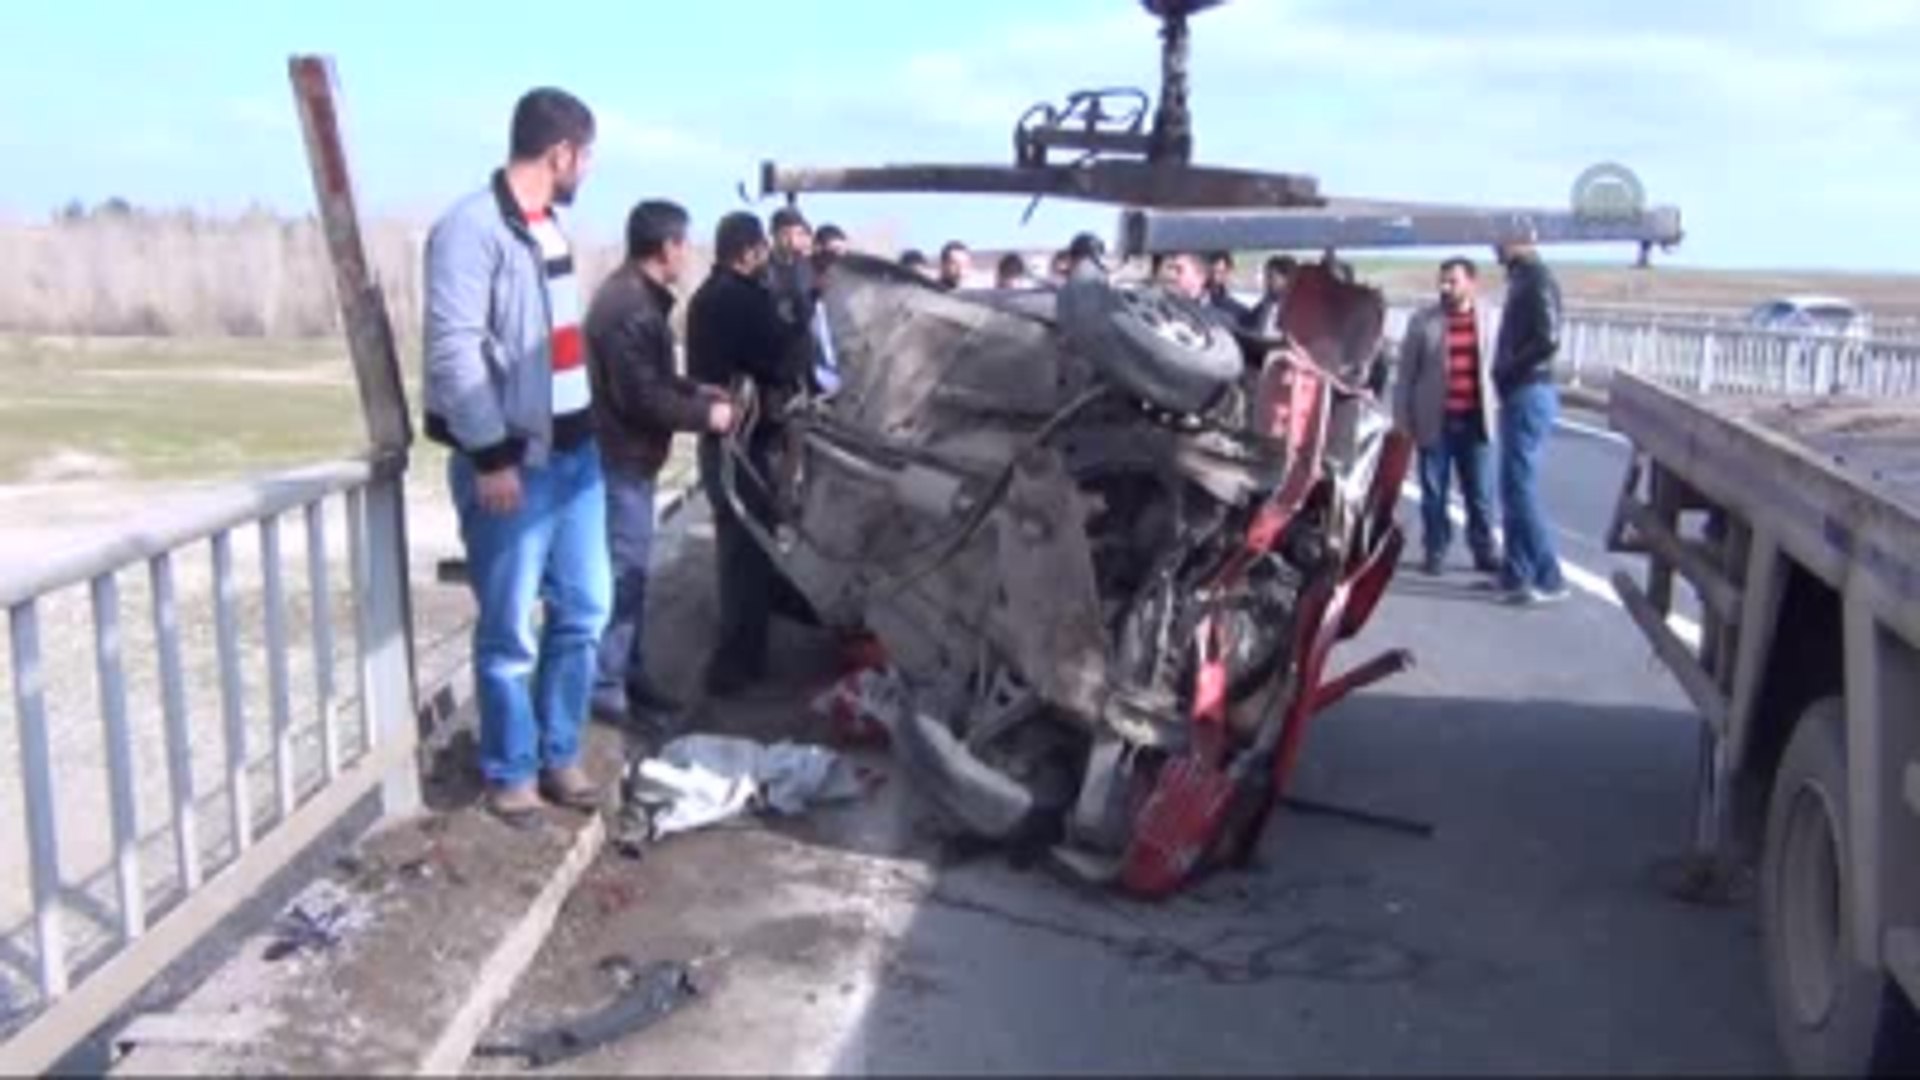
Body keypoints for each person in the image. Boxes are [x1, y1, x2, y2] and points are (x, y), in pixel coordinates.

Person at [423, 87, 609, 824]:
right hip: (515, 464)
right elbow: (454, 352)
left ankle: (559, 752)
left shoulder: (550, 229)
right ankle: (511, 769)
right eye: (586, 156)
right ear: (561, 153)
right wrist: (490, 455)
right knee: (509, 629)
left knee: (585, 609)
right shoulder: (470, 230)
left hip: (577, 458)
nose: (588, 169)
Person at [584, 200, 737, 735]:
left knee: (632, 574)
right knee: (623, 577)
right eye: (684, 244)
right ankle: (608, 690)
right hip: (621, 460)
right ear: (667, 247)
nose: (687, 254)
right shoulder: (630, 309)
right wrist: (708, 416)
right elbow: (641, 399)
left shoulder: (635, 300)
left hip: (630, 459)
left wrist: (695, 389)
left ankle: (629, 673)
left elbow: (653, 379)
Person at [687, 213, 817, 694]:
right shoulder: (741, 300)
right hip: (746, 442)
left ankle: (757, 634)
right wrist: (800, 312)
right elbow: (785, 360)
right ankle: (735, 666)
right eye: (761, 249)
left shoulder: (705, 297)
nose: (766, 258)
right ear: (747, 252)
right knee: (745, 551)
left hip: (722, 437)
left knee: (743, 545)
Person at [1393, 257, 1501, 578]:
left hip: (1476, 420)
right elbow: (1405, 375)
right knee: (1434, 493)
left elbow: (1500, 367)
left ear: (1471, 283)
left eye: (1453, 281)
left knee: (1480, 494)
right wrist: (1402, 419)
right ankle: (1435, 549)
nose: (1445, 287)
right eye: (1442, 281)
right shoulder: (1424, 321)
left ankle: (1483, 550)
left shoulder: (1490, 319)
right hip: (1435, 420)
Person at [1490, 233, 1570, 606]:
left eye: (1501, 240)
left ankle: (1548, 576)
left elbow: (1548, 337)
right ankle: (1516, 572)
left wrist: (1509, 367)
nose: (1495, 247)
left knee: (1520, 486)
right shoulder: (1524, 279)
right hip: (1520, 389)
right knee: (1511, 486)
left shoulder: (1537, 279)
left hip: (1529, 388)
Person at [767, 206, 815, 331]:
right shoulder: (763, 270)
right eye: (785, 234)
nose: (793, 240)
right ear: (773, 235)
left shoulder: (810, 267)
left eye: (798, 234)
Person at [1248, 254, 1298, 335]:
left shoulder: (1296, 307)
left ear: (1287, 279)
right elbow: (1250, 322)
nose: (1266, 282)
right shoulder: (1268, 301)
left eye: (1271, 277)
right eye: (1266, 277)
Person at [1204, 250, 1252, 325]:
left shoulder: (1234, 306)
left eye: (1221, 272)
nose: (1215, 277)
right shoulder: (1200, 299)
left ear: (1228, 272)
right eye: (1212, 272)